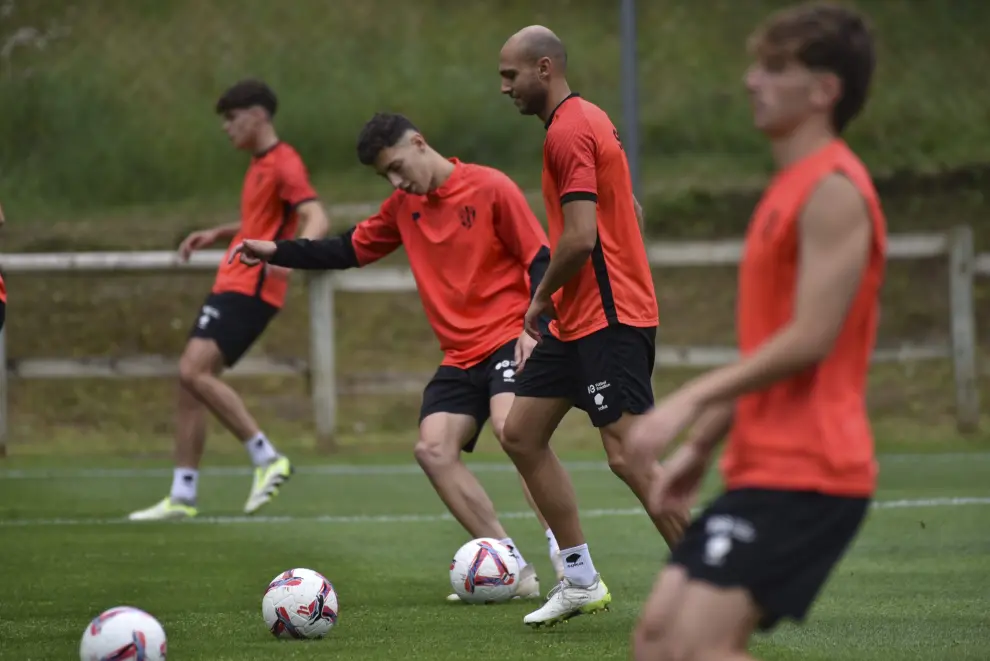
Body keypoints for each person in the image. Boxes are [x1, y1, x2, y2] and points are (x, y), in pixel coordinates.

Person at [628, 4, 883, 659]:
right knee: (659, 638)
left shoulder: (834, 189)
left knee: (703, 643)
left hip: (814, 469)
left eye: (774, 69)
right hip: (763, 465)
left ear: (824, 90)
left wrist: (685, 402)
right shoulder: (788, 186)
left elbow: (810, 339)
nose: (751, 81)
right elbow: (769, 348)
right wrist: (703, 444)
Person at [230, 112, 565, 601]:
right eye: (384, 175)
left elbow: (539, 258)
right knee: (432, 450)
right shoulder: (402, 207)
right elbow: (344, 250)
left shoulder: (490, 187)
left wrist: (534, 327)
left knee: (514, 432)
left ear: (419, 143)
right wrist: (274, 250)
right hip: (458, 355)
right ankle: (508, 569)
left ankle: (568, 561)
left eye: (396, 166)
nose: (395, 180)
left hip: (506, 338)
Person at [496, 26, 691, 627]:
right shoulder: (577, 125)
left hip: (609, 317)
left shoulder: (571, 129)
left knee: (630, 457)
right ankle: (579, 578)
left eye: (511, 76)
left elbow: (580, 238)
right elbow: (625, 208)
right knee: (521, 433)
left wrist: (538, 301)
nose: (504, 88)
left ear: (545, 68)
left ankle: (716, 589)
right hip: (582, 317)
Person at [129, 79, 330, 521]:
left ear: (258, 116)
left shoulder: (284, 162)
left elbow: (314, 211)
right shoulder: (259, 165)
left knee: (191, 371)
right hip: (231, 283)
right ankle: (183, 494)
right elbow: (263, 219)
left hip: (250, 288)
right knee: (190, 385)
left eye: (232, 118)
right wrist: (220, 233)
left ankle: (266, 457)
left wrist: (294, 255)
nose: (227, 128)